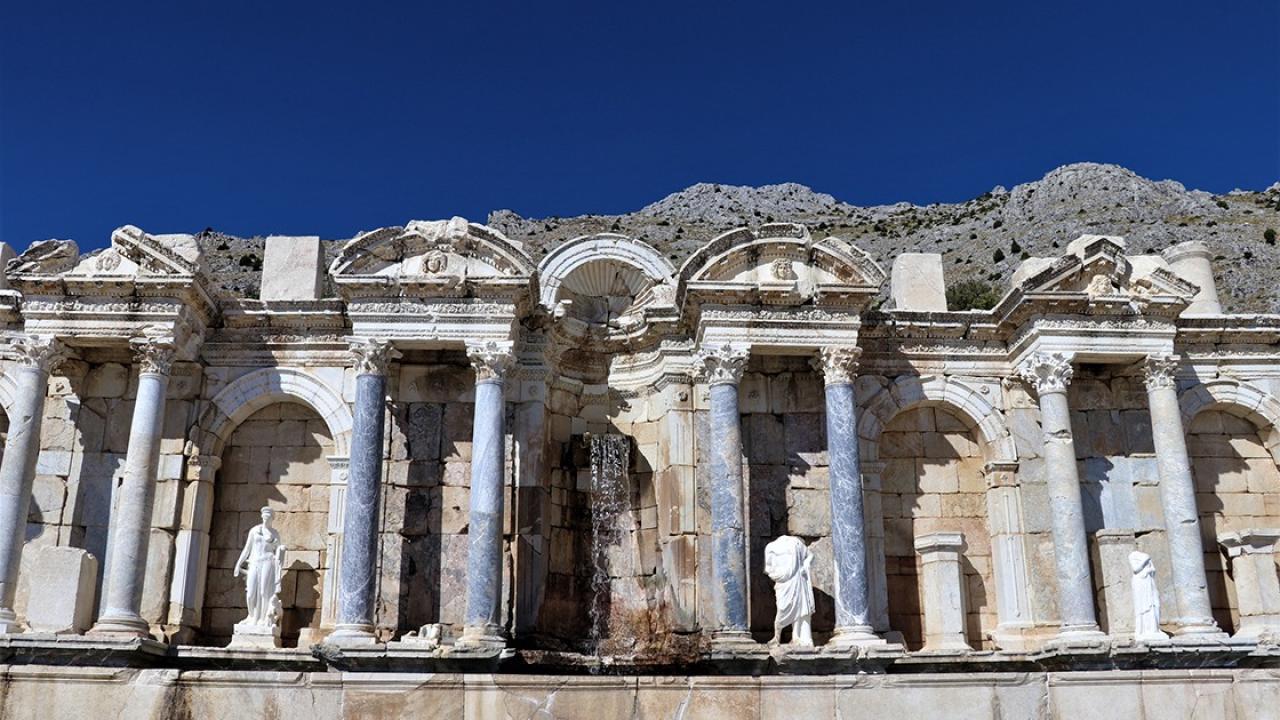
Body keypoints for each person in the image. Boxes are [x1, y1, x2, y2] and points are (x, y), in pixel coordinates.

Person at [234, 506, 287, 628]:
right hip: (254, 562)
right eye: (264, 516)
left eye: (268, 517)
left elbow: (278, 551)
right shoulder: (254, 530)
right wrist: (238, 564)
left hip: (268, 561)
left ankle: (263, 619)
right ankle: (252, 616)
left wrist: (281, 549)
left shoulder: (275, 533)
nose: (265, 519)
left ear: (272, 518)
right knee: (250, 593)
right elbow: (247, 548)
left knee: (264, 591)